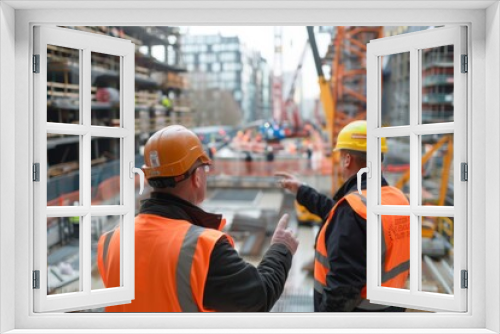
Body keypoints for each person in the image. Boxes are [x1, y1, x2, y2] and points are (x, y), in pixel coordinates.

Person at [97, 125, 298, 312]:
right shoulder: (202, 248)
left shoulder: (110, 241)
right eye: (205, 168)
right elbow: (260, 296)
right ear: (197, 177)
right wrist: (281, 248)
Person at [276, 120, 410, 312]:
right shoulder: (397, 199)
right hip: (392, 313)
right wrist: (301, 190)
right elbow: (338, 214)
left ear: (347, 159)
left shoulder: (353, 209)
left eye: (340, 157)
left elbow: (342, 291)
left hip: (361, 320)